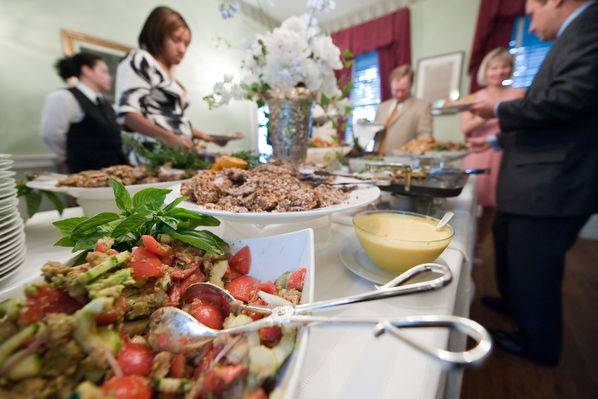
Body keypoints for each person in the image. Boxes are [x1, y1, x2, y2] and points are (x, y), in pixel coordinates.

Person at [470, 0, 598, 366]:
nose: (529, 22)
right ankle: (515, 304)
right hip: (537, 177)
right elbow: (552, 117)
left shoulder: (590, 27)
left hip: (553, 183)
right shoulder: (575, 33)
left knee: (536, 266)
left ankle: (538, 343)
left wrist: (497, 111)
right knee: (514, 251)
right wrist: (496, 141)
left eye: (532, 10)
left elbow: (566, 101)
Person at [115, 6, 232, 164]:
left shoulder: (169, 73)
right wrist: (169, 138)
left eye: (186, 44)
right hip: (153, 157)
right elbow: (127, 115)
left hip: (176, 156)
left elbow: (170, 120)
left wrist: (207, 137)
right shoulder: (141, 59)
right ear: (157, 35)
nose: (182, 49)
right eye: (176, 40)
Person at [460, 48, 524, 247]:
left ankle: (478, 245)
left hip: (506, 155)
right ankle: (464, 242)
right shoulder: (472, 98)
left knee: (493, 207)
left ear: (510, 69)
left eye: (504, 66)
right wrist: (488, 114)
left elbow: (523, 124)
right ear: (485, 71)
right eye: (493, 67)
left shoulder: (519, 94)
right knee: (469, 202)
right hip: (478, 154)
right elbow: (465, 128)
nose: (498, 72)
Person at [40, 53, 127, 172]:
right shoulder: (64, 97)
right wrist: (69, 155)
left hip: (115, 173)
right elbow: (51, 134)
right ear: (87, 71)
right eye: (104, 71)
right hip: (85, 174)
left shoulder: (106, 104)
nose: (109, 77)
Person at [373, 65, 433, 155]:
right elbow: (375, 135)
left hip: (404, 163)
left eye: (403, 90)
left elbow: (425, 138)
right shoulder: (382, 107)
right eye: (395, 90)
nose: (399, 94)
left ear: (411, 85)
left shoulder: (422, 107)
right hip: (377, 159)